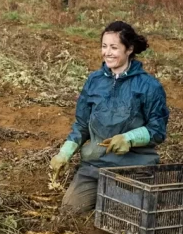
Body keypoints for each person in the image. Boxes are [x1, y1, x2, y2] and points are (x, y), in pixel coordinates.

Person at [50, 21, 169, 213]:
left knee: (124, 212)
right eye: (104, 46)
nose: (107, 52)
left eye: (114, 47)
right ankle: (103, 193)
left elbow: (158, 130)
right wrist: (64, 153)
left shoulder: (149, 86)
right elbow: (82, 124)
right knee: (70, 209)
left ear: (129, 49)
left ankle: (122, 197)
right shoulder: (94, 81)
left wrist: (129, 139)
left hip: (133, 166)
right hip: (95, 165)